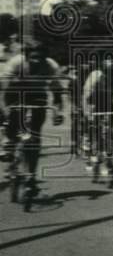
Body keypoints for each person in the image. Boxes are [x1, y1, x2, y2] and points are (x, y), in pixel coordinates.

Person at [0, 38, 64, 197]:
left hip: (37, 96)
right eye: (34, 57)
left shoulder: (50, 65)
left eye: (40, 57)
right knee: (12, 123)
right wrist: (5, 111)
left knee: (35, 136)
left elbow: (56, 92)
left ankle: (31, 177)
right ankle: (8, 141)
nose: (37, 60)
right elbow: (3, 92)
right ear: (27, 55)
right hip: (15, 94)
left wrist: (57, 111)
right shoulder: (16, 63)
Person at [81, 56, 113, 175]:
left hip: (108, 106)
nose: (110, 74)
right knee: (92, 130)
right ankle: (88, 151)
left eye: (112, 71)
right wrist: (87, 112)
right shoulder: (95, 77)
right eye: (108, 71)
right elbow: (85, 96)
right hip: (93, 104)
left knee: (108, 130)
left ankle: (110, 156)